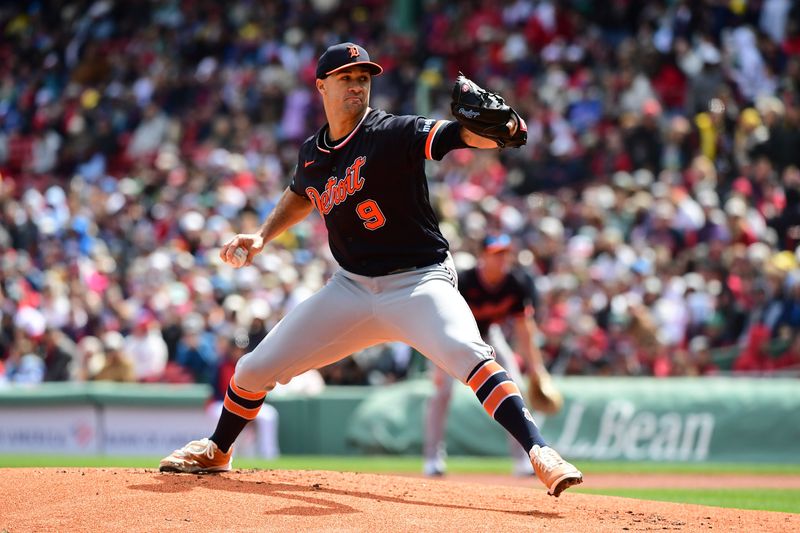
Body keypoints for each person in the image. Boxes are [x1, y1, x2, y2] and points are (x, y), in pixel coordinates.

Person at [159, 42, 582, 497]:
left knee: (470, 353)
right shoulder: (312, 153)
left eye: (364, 78)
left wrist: (499, 132)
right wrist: (262, 236)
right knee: (252, 368)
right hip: (352, 289)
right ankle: (218, 450)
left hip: (419, 281)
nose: (358, 85)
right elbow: (301, 191)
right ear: (322, 86)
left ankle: (541, 451)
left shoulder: (392, 131)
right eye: (347, 78)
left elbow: (455, 136)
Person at [423, 234, 563, 477]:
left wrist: (537, 369)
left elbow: (524, 330)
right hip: (449, 336)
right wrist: (437, 362)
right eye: (496, 254)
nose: (502, 259)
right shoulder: (465, 281)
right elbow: (439, 319)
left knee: (515, 386)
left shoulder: (515, 283)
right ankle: (432, 459)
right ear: (483, 256)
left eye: (505, 253)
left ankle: (523, 459)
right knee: (441, 393)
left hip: (488, 334)